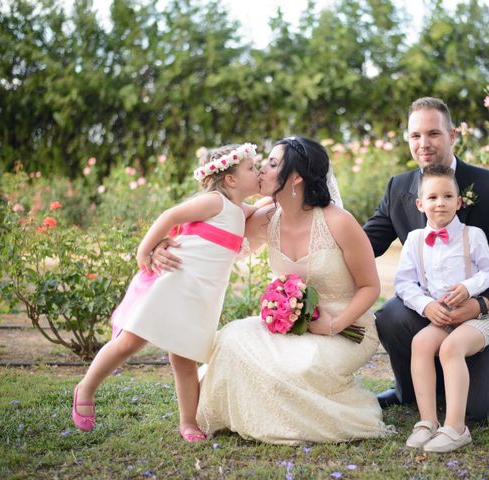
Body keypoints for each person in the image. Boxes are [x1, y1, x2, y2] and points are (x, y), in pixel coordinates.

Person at [155, 136, 392, 444]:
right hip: (295, 326)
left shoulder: (338, 222)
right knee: (230, 339)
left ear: (295, 177)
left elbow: (370, 287)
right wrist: (164, 242)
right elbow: (211, 238)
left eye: (272, 163)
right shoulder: (267, 219)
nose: (262, 170)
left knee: (299, 368)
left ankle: (342, 410)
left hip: (349, 327)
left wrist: (335, 323)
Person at [71, 143, 260, 442]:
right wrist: (144, 250)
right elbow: (170, 215)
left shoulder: (241, 210)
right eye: (252, 168)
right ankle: (87, 387)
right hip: (175, 282)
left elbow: (266, 208)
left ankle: (188, 423)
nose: (259, 171)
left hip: (201, 297)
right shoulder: (215, 202)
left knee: (185, 360)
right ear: (231, 179)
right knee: (129, 342)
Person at [364, 97, 489, 421]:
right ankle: (410, 390)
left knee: (487, 410)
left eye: (433, 133)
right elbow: (366, 242)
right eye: (415, 136)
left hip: (485, 317)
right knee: (390, 314)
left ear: (452, 135)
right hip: (431, 311)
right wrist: (320, 236)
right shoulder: (399, 187)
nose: (423, 143)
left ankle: (476, 376)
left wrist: (481, 304)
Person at [395, 164, 489, 452]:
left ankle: (456, 427)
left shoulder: (473, 235)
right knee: (420, 343)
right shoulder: (415, 241)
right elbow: (404, 284)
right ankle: (427, 422)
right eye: (431, 197)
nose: (439, 203)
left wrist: (469, 288)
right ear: (420, 204)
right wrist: (427, 305)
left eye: (446, 196)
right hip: (443, 317)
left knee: (450, 349)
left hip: (480, 316)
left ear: (458, 201)